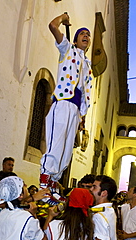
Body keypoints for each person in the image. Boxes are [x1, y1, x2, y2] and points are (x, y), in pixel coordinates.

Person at [40, 13, 92, 204]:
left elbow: (85, 90)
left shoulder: (87, 64)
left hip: (76, 109)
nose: (86, 37)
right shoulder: (67, 49)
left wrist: (82, 117)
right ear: (76, 38)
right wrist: (63, 18)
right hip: (62, 102)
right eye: (82, 34)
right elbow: (52, 26)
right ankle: (44, 182)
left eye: (88, 35)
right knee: (56, 142)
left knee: (67, 149)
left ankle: (54, 183)